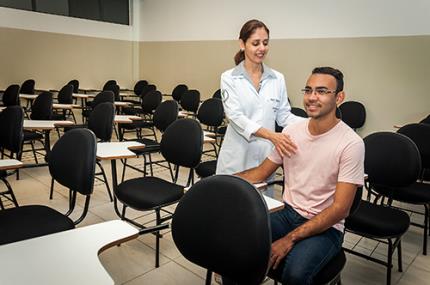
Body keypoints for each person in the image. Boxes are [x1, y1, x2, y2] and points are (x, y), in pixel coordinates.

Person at [237, 67, 365, 285]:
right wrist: (218, 183)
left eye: (322, 91)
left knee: (294, 274)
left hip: (326, 227)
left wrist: (290, 238)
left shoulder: (351, 143)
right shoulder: (292, 131)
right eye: (308, 90)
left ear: (339, 97)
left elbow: (340, 209)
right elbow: (261, 173)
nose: (312, 97)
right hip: (288, 213)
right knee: (238, 244)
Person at [216, 19, 301, 178]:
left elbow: (284, 116)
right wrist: (271, 135)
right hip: (237, 156)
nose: (262, 48)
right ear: (242, 44)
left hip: (265, 158)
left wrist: (311, 123)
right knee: (232, 199)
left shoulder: (278, 78)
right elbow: (235, 117)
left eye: (265, 43)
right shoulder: (229, 77)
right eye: (256, 43)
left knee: (261, 201)